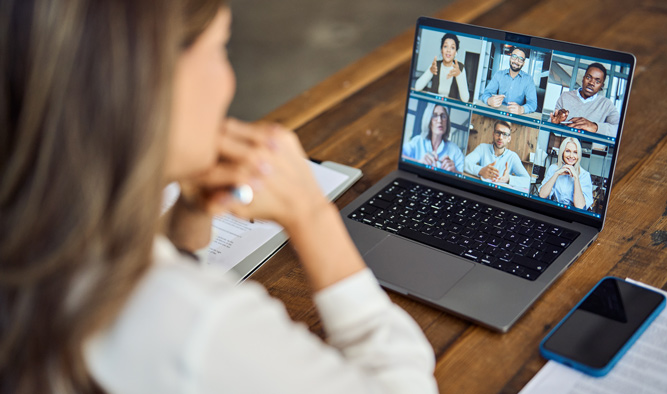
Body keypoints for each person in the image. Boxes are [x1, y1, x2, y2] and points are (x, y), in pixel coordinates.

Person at [0, 1, 438, 393]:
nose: (229, 81)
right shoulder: (197, 324)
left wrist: (186, 223)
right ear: (150, 82)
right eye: (220, 49)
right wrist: (313, 216)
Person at [549, 63, 620, 137]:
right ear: (583, 78)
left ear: (602, 86)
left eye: (597, 81)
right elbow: (551, 123)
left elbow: (618, 129)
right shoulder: (565, 96)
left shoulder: (607, 104)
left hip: (590, 148)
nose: (591, 83)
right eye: (588, 77)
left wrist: (594, 127)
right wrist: (555, 122)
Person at [463, 120, 530, 190]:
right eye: (498, 132)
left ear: (509, 139)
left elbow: (527, 181)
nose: (500, 137)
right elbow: (464, 162)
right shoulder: (482, 148)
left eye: (505, 134)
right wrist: (480, 171)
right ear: (493, 134)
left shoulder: (513, 157)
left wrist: (508, 179)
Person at [402, 103, 465, 173]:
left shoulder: (455, 149)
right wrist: (418, 162)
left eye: (443, 116)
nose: (439, 120)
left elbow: (464, 175)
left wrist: (454, 172)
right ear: (428, 120)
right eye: (435, 116)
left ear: (447, 122)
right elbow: (400, 155)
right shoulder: (418, 141)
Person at [538, 137, 594, 210]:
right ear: (562, 152)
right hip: (553, 210)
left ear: (579, 155)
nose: (571, 156)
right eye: (568, 151)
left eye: (575, 152)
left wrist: (576, 178)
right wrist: (556, 174)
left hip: (572, 215)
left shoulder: (584, 175)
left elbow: (580, 206)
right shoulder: (553, 168)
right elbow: (542, 195)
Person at [414, 33, 470, 102]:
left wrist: (458, 75)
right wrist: (430, 71)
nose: (448, 50)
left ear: (456, 52)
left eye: (452, 48)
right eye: (445, 46)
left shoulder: (460, 68)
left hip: (450, 107)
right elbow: (417, 87)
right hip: (434, 104)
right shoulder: (435, 65)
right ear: (441, 50)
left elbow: (465, 99)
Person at [479, 47, 538, 114]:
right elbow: (486, 93)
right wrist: (489, 100)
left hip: (515, 115)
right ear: (510, 58)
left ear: (523, 63)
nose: (516, 61)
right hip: (498, 111)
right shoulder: (499, 74)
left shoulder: (528, 79)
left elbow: (533, 104)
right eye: (514, 56)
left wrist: (521, 109)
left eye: (520, 59)